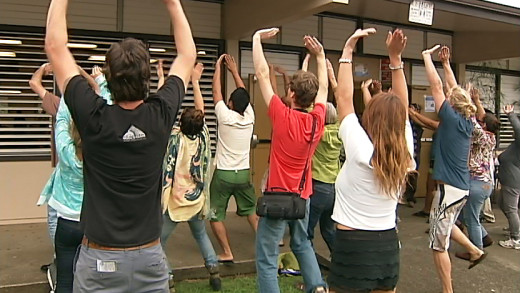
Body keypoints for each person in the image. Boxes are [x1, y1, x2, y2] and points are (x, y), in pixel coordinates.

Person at [44, 0, 196, 292]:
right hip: (150, 260)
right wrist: (173, 4)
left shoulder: (93, 116)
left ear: (108, 77)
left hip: (100, 261)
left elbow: (54, 46)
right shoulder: (160, 114)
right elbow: (187, 54)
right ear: (147, 79)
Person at [330, 28, 413, 293]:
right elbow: (402, 105)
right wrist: (395, 59)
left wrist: (347, 51)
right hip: (388, 242)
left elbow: (343, 98)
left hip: (353, 244)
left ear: (371, 116)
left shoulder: (360, 148)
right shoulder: (405, 150)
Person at [253, 27, 328, 293]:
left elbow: (262, 73)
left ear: (292, 94)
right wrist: (320, 57)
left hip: (277, 197)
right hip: (302, 196)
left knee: (266, 256)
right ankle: (317, 287)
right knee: (303, 243)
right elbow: (324, 93)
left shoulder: (281, 115)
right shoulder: (317, 121)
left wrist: (256, 39)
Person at [422, 44, 486, 293]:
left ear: (452, 104)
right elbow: (451, 89)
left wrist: (427, 58)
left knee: (438, 245)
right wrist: (447, 64)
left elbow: (438, 87)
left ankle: (448, 291)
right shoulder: (468, 120)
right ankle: (474, 250)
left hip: (449, 191)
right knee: (442, 225)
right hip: (460, 190)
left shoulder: (449, 117)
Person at [161, 63, 221, 292]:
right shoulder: (203, 137)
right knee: (200, 235)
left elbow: (168, 117)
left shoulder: (175, 139)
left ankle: (168, 279)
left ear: (181, 124)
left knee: (159, 241)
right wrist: (196, 80)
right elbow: (200, 107)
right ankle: (214, 271)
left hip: (176, 202)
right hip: (196, 199)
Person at [209, 54, 258, 263]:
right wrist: (235, 72)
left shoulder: (225, 116)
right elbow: (243, 95)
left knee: (215, 215)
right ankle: (267, 248)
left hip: (224, 174)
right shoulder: (250, 117)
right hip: (244, 173)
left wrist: (218, 67)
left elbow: (215, 91)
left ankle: (227, 252)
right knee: (251, 212)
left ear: (230, 103)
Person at [455, 85, 497, 260]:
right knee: (466, 214)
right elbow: (480, 119)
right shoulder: (491, 137)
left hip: (476, 183)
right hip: (486, 183)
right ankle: (484, 237)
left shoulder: (480, 136)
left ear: (484, 125)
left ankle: (476, 250)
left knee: (471, 217)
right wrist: (477, 100)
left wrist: (466, 100)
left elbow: (473, 119)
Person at [307, 61, 341, 254]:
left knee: (307, 232)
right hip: (334, 189)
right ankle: (340, 261)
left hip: (318, 187)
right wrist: (331, 77)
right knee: (328, 230)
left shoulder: (318, 132)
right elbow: (344, 103)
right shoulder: (341, 130)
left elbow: (310, 110)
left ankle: (310, 269)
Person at [497, 104, 520, 250]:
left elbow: (518, 129)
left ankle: (516, 238)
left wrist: (511, 114)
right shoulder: (516, 144)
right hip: (510, 178)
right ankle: (514, 227)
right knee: (502, 204)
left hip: (513, 180)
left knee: (511, 209)